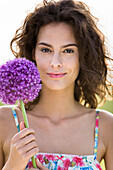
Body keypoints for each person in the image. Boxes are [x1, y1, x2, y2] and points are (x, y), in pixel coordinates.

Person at [0, 0, 113, 169]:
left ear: (83, 56)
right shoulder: (4, 121)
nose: (55, 62)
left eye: (68, 50)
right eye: (46, 50)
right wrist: (13, 165)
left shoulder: (106, 126)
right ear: (33, 53)